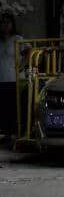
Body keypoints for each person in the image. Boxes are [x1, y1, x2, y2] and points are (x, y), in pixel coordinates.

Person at [0, 11, 23, 141]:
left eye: (7, 22)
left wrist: (22, 66)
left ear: (12, 24)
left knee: (14, 107)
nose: (5, 25)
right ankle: (6, 133)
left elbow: (29, 52)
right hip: (1, 78)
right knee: (3, 106)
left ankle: (15, 132)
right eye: (2, 23)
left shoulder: (17, 39)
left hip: (14, 78)